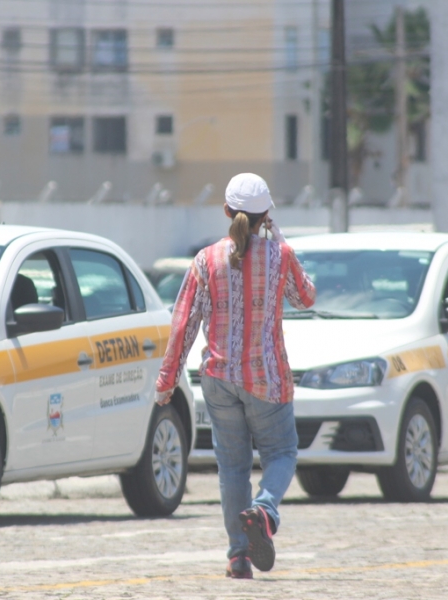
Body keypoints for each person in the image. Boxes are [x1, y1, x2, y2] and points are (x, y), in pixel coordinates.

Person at [155, 173, 316, 579]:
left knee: (232, 469)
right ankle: (264, 510)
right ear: (266, 216)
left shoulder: (205, 259)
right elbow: (306, 297)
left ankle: (238, 557)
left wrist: (166, 381)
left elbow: (183, 324)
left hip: (218, 377)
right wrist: (280, 240)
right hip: (267, 377)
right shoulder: (279, 255)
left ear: (226, 211)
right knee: (282, 453)